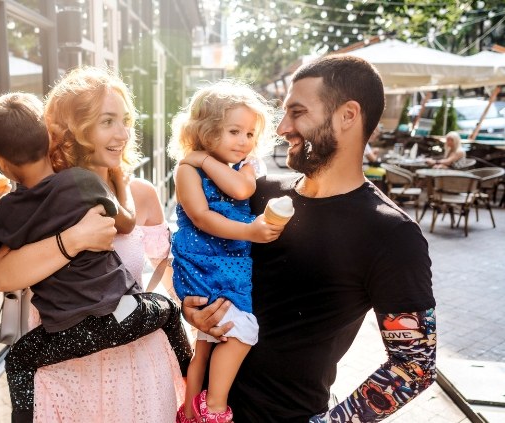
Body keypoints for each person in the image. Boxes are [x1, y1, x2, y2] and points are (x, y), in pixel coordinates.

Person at [182, 55, 436, 422]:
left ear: (348, 115)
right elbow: (199, 254)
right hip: (200, 408)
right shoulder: (257, 193)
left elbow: (414, 366)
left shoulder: (391, 234)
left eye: (297, 112)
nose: (283, 127)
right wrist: (193, 307)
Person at [0, 91, 192, 423]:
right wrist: (73, 238)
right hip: (87, 362)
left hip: (83, 343)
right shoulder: (80, 184)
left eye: (126, 121)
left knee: (18, 359)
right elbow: (1, 275)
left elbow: (167, 263)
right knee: (166, 310)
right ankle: (196, 375)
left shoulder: (14, 206)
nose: (122, 133)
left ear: (0, 160)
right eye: (107, 121)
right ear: (62, 130)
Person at [168, 80, 283, 423]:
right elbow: (202, 217)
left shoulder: (245, 166)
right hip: (203, 265)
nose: (244, 141)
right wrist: (249, 231)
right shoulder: (186, 169)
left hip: (231, 264)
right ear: (205, 131)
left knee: (204, 342)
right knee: (243, 331)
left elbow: (241, 187)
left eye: (250, 134)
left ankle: (190, 412)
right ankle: (215, 409)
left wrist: (204, 157)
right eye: (234, 131)